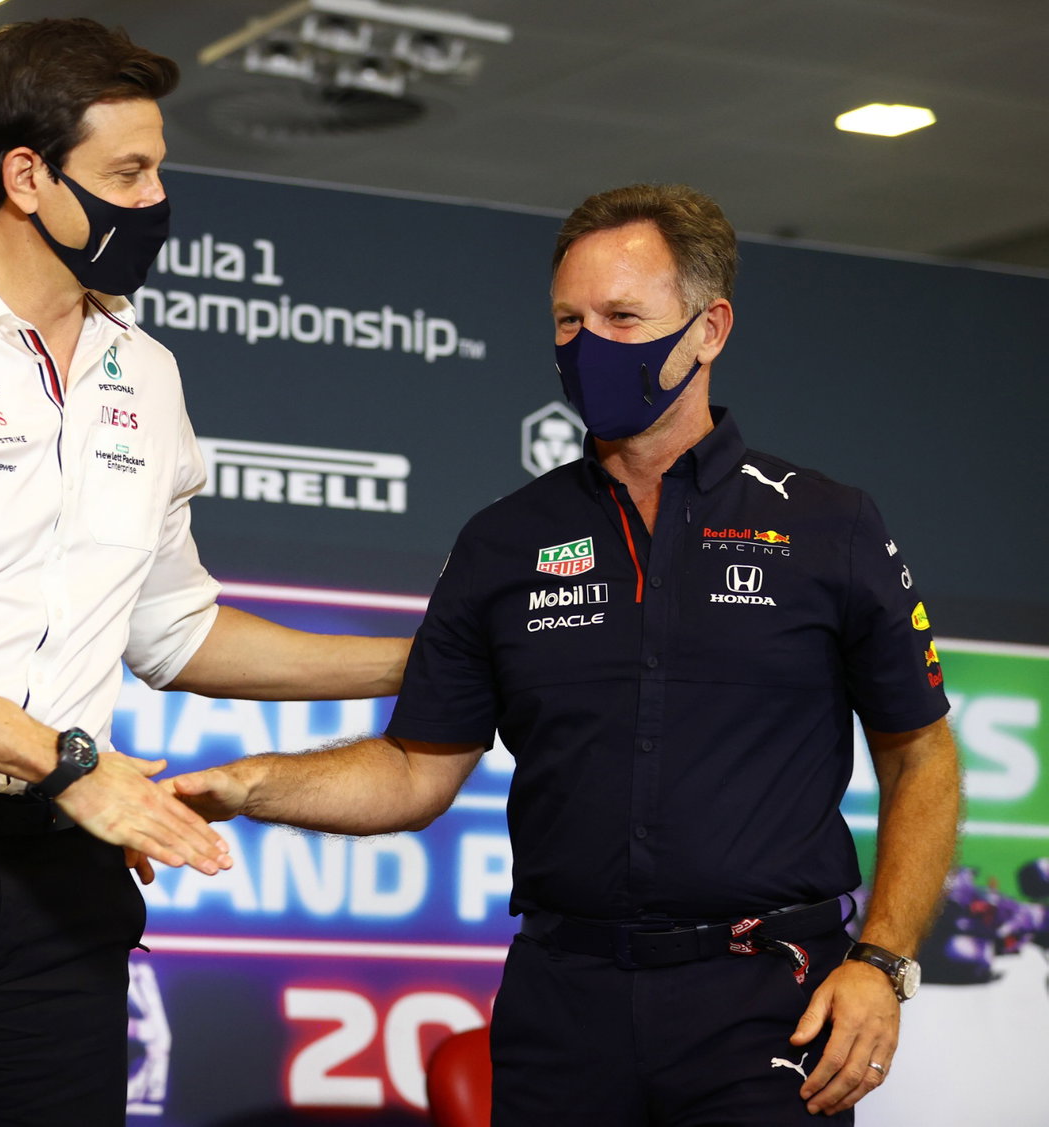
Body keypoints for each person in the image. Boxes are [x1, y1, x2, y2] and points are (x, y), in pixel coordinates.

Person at [172, 184, 960, 1125]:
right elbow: (414, 771)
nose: (589, 345)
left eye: (623, 317)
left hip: (766, 1002)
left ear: (709, 329)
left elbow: (923, 754)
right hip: (562, 1000)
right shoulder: (505, 539)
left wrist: (880, 960)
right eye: (568, 320)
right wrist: (250, 784)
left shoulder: (828, 523)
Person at [0, 17, 408, 1127]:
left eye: (159, 170)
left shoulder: (144, 371)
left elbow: (174, 631)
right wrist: (67, 763)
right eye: (128, 173)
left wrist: (422, 655)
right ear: (27, 177)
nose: (156, 200)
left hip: (63, 877)